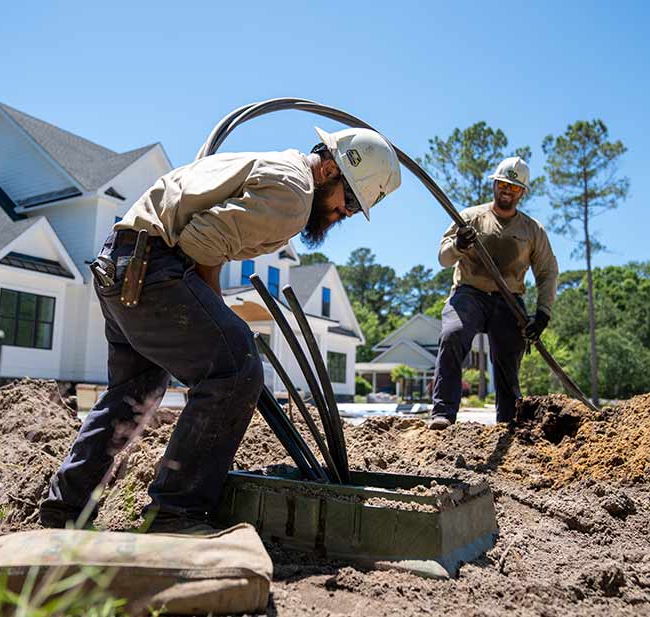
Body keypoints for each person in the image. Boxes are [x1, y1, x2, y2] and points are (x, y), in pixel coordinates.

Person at [40, 127, 401, 531]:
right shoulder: (295, 194)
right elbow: (202, 245)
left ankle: (65, 506)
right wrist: (219, 316)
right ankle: (177, 512)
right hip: (155, 271)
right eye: (349, 200)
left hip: (124, 266)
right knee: (237, 367)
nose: (346, 213)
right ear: (330, 169)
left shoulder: (277, 167)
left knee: (134, 393)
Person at [429, 157, 558, 430]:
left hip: (509, 300)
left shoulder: (532, 230)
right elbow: (443, 257)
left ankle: (508, 421)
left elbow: (547, 272)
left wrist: (543, 314)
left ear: (522, 192)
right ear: (494, 184)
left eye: (513, 187)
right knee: (452, 335)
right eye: (502, 184)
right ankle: (443, 413)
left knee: (509, 354)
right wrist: (458, 244)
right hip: (469, 293)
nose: (507, 191)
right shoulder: (470, 218)